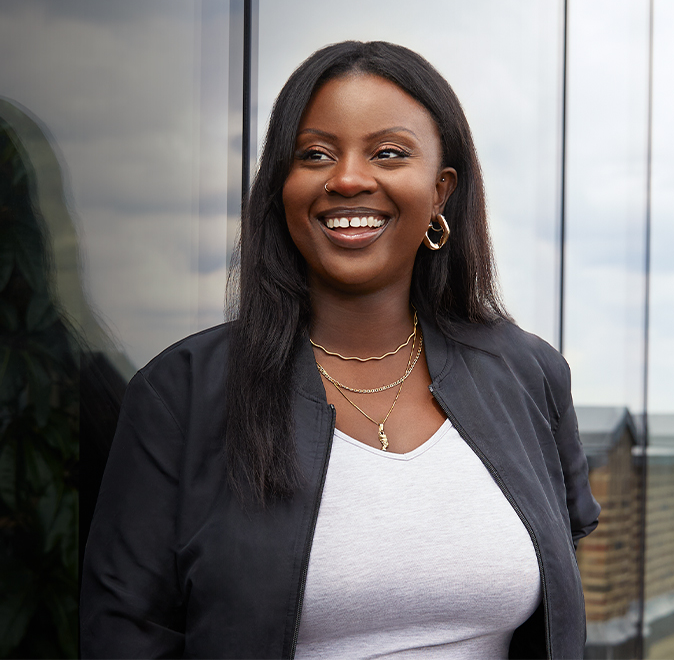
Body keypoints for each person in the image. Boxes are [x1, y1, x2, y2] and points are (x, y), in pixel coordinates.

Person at [81, 41, 600, 660]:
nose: (348, 178)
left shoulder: (528, 374)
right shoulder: (180, 395)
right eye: (316, 154)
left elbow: (561, 576)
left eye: (388, 153)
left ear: (440, 192)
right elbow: (126, 634)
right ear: (283, 187)